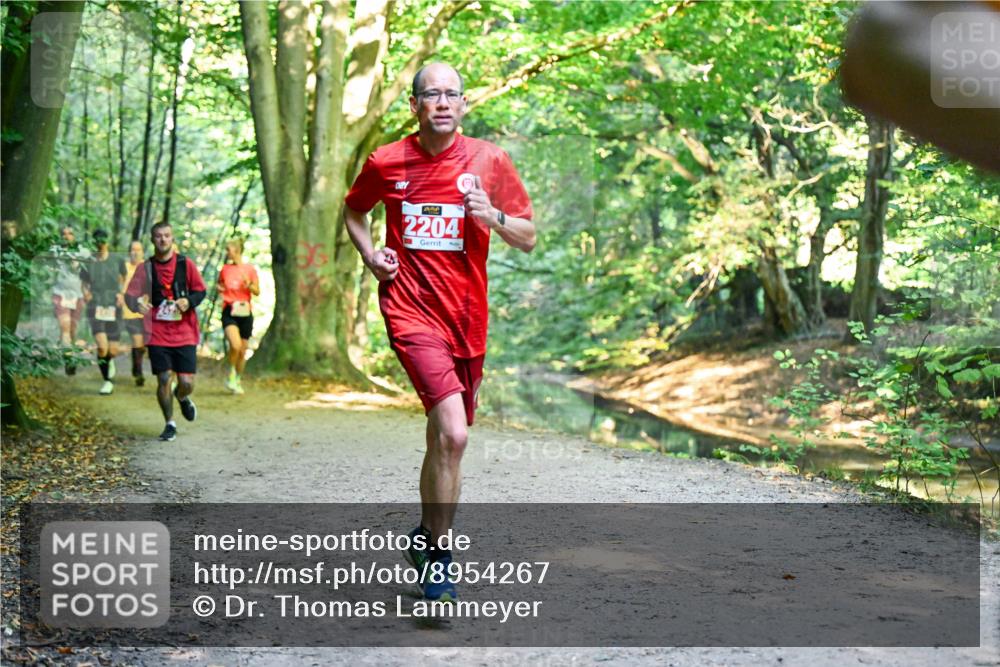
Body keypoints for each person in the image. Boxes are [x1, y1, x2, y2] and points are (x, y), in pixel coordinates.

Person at [344, 62, 536, 602]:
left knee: (441, 439)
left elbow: (528, 236)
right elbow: (354, 211)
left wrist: (491, 215)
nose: (444, 103)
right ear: (415, 105)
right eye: (432, 94)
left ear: (465, 104)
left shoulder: (489, 160)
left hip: (468, 320)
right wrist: (371, 257)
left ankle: (426, 539)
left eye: (453, 94)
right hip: (410, 311)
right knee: (453, 433)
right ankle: (442, 559)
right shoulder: (387, 161)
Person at [124, 222, 206, 442]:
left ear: (172, 238)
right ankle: (170, 423)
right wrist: (137, 305)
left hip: (185, 331)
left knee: (187, 383)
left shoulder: (185, 264)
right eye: (158, 236)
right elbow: (129, 296)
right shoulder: (145, 268)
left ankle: (182, 398)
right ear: (152, 240)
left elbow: (200, 291)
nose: (163, 240)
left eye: (167, 236)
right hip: (157, 331)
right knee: (163, 378)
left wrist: (188, 301)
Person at [79, 229, 126, 395]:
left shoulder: (117, 260)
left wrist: (121, 294)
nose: (101, 245)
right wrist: (86, 293)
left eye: (103, 242)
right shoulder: (88, 262)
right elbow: (83, 282)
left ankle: (109, 361)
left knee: (112, 350)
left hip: (114, 307)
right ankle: (107, 381)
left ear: (107, 242)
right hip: (96, 307)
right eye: (97, 242)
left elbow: (125, 278)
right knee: (101, 348)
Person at [217, 237, 259, 395]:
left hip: (245, 311)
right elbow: (220, 284)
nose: (227, 252)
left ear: (237, 250)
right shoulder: (225, 269)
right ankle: (231, 373)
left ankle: (237, 379)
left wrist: (250, 285)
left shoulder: (249, 269)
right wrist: (220, 289)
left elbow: (257, 291)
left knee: (243, 350)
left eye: (229, 249)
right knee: (235, 345)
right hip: (230, 311)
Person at [50, 226, 90, 374]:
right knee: (64, 327)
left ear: (74, 236)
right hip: (60, 294)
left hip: (77, 296)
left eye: (70, 233)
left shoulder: (82, 250)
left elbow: (89, 258)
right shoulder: (55, 251)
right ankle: (69, 360)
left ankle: (70, 352)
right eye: (63, 234)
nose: (66, 236)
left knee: (73, 330)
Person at [123, 240, 148, 386]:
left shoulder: (148, 267)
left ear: (142, 252)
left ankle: (136, 365)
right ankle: (138, 373)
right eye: (133, 249)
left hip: (146, 311)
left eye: (138, 249)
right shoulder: (124, 268)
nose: (135, 252)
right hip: (129, 311)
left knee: (143, 345)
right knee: (137, 340)